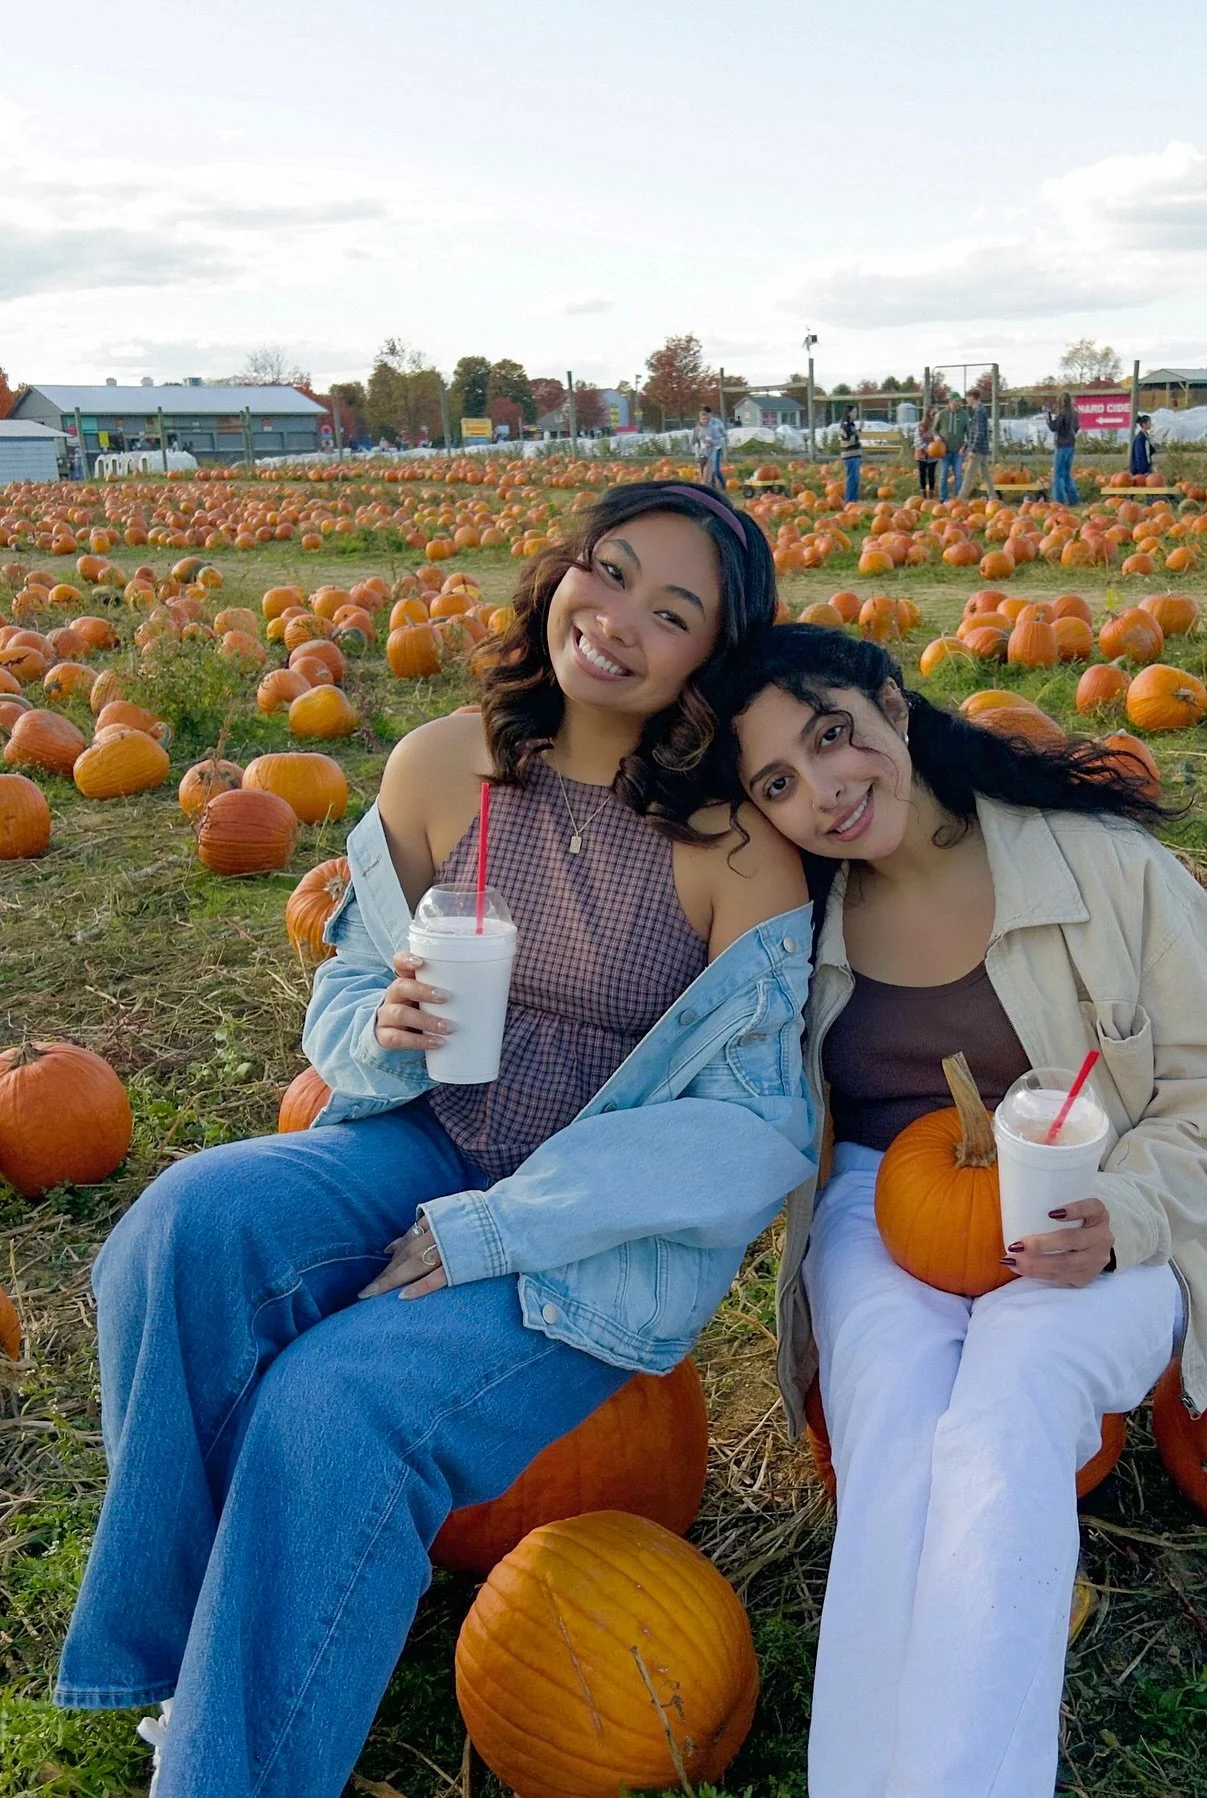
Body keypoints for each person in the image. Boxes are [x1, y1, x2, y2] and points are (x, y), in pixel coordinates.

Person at [55, 482, 818, 1798]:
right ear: (563, 570)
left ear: (714, 658)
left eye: (673, 610)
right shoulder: (441, 767)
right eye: (611, 569)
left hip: (582, 1239)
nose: (620, 617)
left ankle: (224, 1773)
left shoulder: (733, 848)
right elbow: (345, 988)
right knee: (185, 1222)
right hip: (423, 1137)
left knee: (335, 1401)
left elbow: (751, 1129)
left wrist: (490, 1230)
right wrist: (384, 1022)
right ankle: (194, 1668)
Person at [717, 624, 1207, 1798]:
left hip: (1105, 1217)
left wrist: (1126, 1212)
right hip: (886, 1214)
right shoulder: (796, 921)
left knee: (1008, 1402)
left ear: (892, 701)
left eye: (833, 736)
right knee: (893, 1429)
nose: (824, 791)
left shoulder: (1100, 869)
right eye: (778, 781)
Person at [958, 389, 998, 500]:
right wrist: (966, 445)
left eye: (967, 397)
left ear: (972, 397)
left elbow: (980, 432)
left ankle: (960, 499)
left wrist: (973, 449)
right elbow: (973, 432)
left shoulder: (980, 411)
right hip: (981, 448)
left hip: (978, 449)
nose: (966, 400)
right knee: (985, 475)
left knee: (969, 474)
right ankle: (993, 497)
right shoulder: (979, 411)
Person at [933, 391, 970, 501]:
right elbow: (934, 430)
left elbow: (968, 433)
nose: (958, 403)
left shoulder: (964, 415)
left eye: (959, 401)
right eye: (956, 401)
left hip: (958, 451)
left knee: (958, 475)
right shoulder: (941, 414)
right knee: (944, 475)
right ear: (950, 401)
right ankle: (943, 498)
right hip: (944, 451)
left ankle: (958, 499)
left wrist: (965, 446)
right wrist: (937, 438)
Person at [1044, 391, 1080, 504]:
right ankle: (1073, 499)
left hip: (1062, 445)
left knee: (1058, 474)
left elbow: (1054, 427)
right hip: (1071, 444)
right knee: (1066, 473)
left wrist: (1048, 420)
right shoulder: (1074, 413)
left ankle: (1059, 500)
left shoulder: (1062, 414)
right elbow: (1077, 427)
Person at [692, 404, 726, 491]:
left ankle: (722, 485)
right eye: (702, 416)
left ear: (710, 414)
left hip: (715, 449)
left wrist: (712, 441)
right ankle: (711, 488)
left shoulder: (716, 423)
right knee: (703, 473)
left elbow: (723, 435)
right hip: (703, 452)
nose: (705, 419)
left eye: (706, 415)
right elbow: (695, 440)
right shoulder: (698, 428)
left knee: (715, 470)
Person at [838, 405, 863, 503]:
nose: (855, 414)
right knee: (852, 479)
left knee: (855, 479)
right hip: (850, 456)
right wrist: (858, 431)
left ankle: (854, 500)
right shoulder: (846, 426)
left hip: (855, 455)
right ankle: (849, 501)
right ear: (848, 413)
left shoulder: (852, 425)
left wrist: (858, 431)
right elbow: (851, 440)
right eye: (854, 412)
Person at [913, 407, 938, 497]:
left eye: (936, 414)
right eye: (933, 414)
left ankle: (931, 492)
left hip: (933, 455)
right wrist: (926, 448)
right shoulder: (921, 426)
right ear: (928, 415)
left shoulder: (937, 426)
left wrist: (934, 448)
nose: (934, 416)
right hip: (922, 454)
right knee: (922, 473)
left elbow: (938, 438)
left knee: (931, 474)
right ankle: (923, 493)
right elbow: (917, 439)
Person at [1129, 413, 1155, 481]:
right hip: (1140, 471)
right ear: (1144, 424)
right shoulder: (1140, 438)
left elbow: (1148, 453)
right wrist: (1143, 470)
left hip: (1147, 467)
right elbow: (1140, 455)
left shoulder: (1146, 436)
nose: (1151, 424)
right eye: (1149, 422)